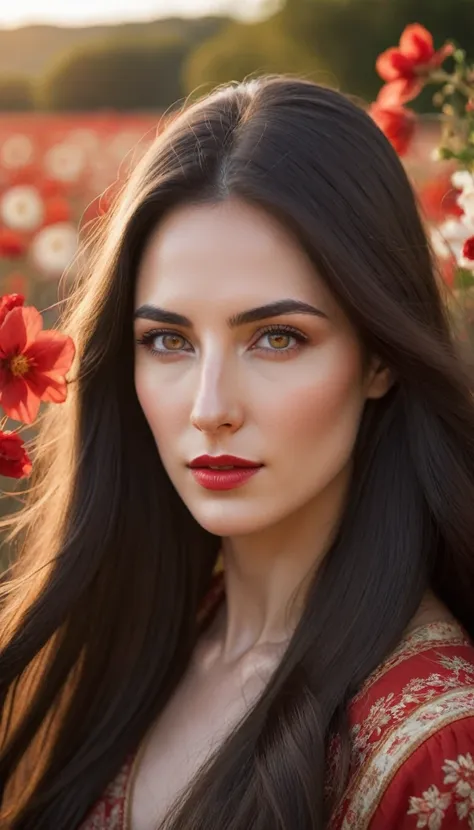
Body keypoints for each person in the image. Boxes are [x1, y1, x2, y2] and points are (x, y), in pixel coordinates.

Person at [0, 75, 473, 830]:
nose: (209, 407)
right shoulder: (141, 637)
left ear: (381, 356)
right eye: (168, 341)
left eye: (277, 338)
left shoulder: (435, 759)